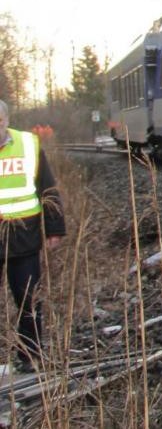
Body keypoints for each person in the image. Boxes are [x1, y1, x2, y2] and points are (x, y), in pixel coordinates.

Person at [0, 100, 64, 372]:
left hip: (23, 238)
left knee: (28, 299)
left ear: (6, 120)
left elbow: (47, 188)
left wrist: (55, 227)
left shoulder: (28, 144)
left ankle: (29, 356)